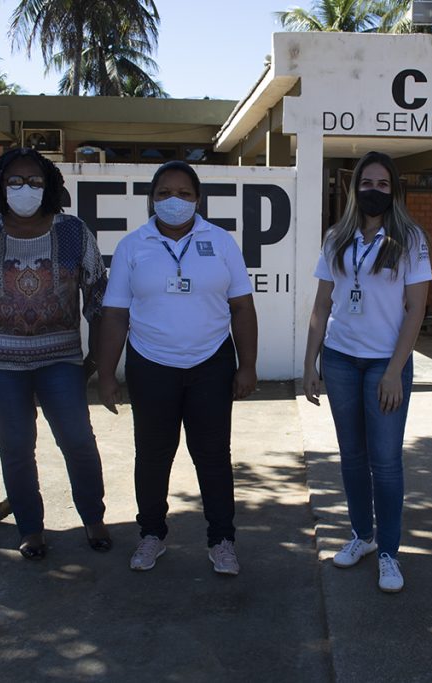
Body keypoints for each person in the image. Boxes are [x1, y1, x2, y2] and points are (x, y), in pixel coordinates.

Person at [0, 147, 111, 561]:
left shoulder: (74, 233)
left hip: (60, 362)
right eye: (14, 182)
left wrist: (97, 359)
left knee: (78, 442)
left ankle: (93, 518)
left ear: (50, 185)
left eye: (34, 181)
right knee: (17, 446)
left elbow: (98, 298)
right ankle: (31, 529)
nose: (24, 189)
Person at [96, 160, 258, 576]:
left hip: (211, 363)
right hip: (151, 365)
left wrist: (247, 366)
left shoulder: (220, 242)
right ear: (152, 199)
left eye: (185, 193)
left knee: (213, 456)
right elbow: (115, 314)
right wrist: (107, 372)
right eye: (165, 193)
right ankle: (151, 534)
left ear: (198, 199)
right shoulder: (134, 246)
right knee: (152, 455)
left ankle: (222, 540)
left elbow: (242, 307)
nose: (175, 201)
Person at [303, 151, 432, 593]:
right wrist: (310, 363)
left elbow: (416, 309)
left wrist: (395, 371)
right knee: (352, 458)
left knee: (386, 462)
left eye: (382, 184)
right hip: (339, 359)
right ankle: (362, 535)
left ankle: (390, 553)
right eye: (366, 183)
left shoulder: (411, 239)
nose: (373, 191)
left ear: (393, 189)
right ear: (353, 187)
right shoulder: (336, 237)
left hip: (385, 364)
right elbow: (322, 304)